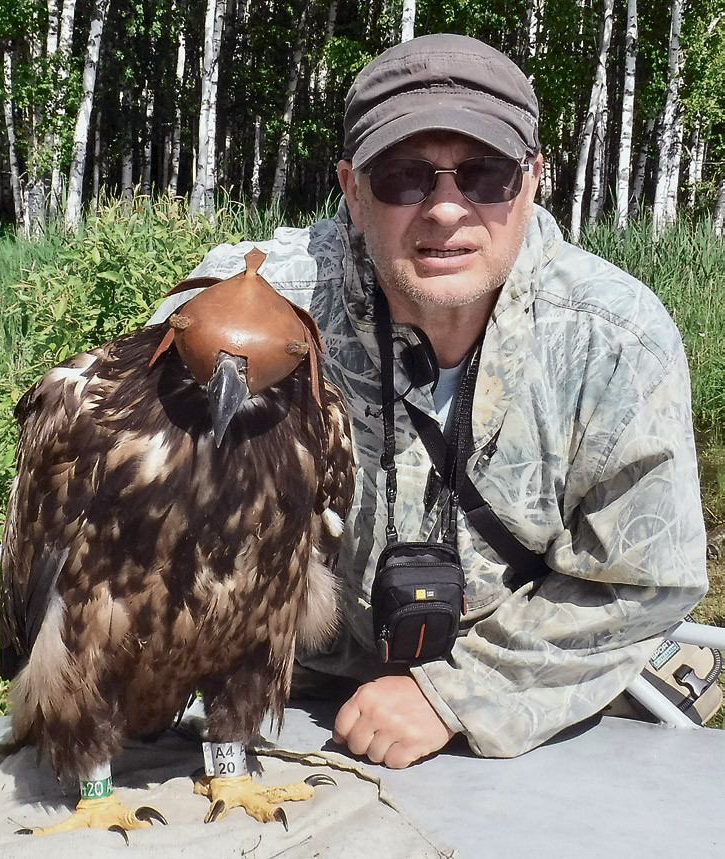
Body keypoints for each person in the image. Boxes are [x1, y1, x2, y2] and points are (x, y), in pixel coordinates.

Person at [150, 33, 708, 768]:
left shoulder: (612, 340)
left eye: (485, 175)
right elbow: (124, 507)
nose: (446, 210)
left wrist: (456, 694)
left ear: (532, 181)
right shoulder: (247, 311)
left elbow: (644, 583)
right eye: (404, 178)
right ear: (352, 191)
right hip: (280, 693)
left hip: (508, 700)